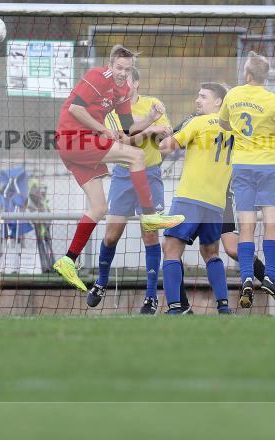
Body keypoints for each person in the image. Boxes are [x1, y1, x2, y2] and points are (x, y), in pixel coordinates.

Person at [52, 45, 184, 292]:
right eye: (119, 67)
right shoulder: (96, 76)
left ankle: (68, 259)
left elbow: (128, 129)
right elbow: (75, 108)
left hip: (80, 148)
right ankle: (150, 215)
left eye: (127, 68)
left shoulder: (123, 90)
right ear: (110, 65)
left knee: (99, 207)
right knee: (135, 155)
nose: (123, 73)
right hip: (72, 138)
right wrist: (102, 129)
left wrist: (150, 119)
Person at [219, 51, 275, 314]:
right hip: (269, 167)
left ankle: (246, 277)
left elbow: (224, 123)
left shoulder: (232, 95)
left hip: (242, 166)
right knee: (272, 226)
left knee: (245, 228)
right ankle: (271, 277)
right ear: (265, 77)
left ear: (246, 74)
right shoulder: (271, 99)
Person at [86, 67, 172, 314]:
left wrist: (161, 133)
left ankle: (151, 297)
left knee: (150, 235)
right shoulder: (112, 110)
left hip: (151, 175)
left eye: (125, 80)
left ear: (136, 83)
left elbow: (164, 136)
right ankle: (101, 282)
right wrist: (149, 131)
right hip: (123, 176)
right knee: (112, 235)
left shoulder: (153, 103)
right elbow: (122, 142)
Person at [159, 82, 234, 314]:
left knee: (171, 249)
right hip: (216, 203)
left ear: (218, 102)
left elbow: (165, 147)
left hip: (189, 198)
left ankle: (174, 308)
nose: (197, 100)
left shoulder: (199, 122)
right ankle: (223, 308)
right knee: (211, 253)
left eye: (203, 96)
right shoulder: (235, 129)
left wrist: (163, 135)